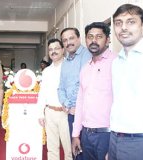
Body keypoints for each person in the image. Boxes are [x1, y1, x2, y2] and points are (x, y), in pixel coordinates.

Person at [108, 4, 143, 160]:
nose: (123, 27)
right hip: (116, 139)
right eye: (118, 23)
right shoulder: (117, 62)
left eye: (131, 22)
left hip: (142, 141)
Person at [71, 22, 116, 160]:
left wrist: (116, 143)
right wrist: (75, 134)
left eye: (99, 37)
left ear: (107, 40)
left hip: (108, 135)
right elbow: (80, 102)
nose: (94, 41)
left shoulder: (117, 63)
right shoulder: (85, 68)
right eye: (90, 37)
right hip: (86, 134)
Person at [58, 27, 92, 160]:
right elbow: (60, 88)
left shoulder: (87, 56)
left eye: (71, 38)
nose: (68, 42)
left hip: (85, 114)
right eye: (65, 40)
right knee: (76, 151)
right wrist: (67, 104)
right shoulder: (66, 62)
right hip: (71, 114)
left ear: (79, 38)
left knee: (86, 153)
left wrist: (75, 106)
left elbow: (84, 85)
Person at [37, 38, 72, 160]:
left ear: (63, 49)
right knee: (51, 149)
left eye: (56, 48)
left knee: (69, 149)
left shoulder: (70, 67)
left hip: (66, 113)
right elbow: (42, 93)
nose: (53, 51)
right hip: (50, 113)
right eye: (51, 49)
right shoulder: (46, 71)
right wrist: (40, 113)